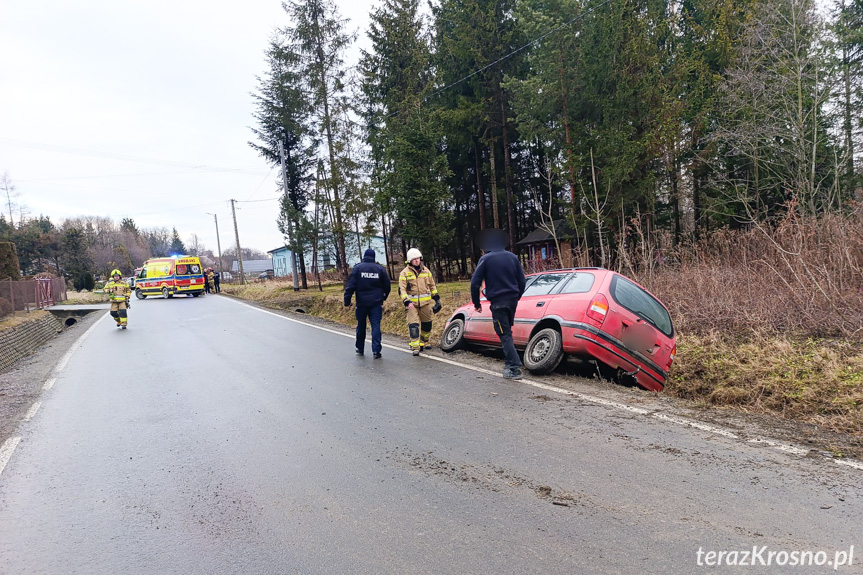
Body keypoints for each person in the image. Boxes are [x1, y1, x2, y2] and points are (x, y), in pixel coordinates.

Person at [470, 229, 526, 379]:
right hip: (512, 301)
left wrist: (476, 303)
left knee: (504, 334)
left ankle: (514, 368)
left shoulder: (486, 259)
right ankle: (510, 364)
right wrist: (517, 296)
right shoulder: (513, 257)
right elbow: (522, 281)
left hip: (498, 302)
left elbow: (475, 284)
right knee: (508, 332)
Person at [344, 248, 391, 358]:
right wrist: (383, 297)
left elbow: (350, 287)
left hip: (361, 303)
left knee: (361, 326)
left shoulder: (357, 268)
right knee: (375, 326)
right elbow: (387, 286)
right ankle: (376, 350)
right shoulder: (380, 269)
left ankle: (360, 348)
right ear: (374, 257)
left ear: (364, 256)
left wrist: (347, 301)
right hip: (376, 303)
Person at [398, 248, 442, 356]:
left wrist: (437, 299)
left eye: (418, 258)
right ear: (410, 261)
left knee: (427, 325)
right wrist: (406, 301)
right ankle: (415, 346)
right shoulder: (404, 273)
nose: (417, 261)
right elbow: (402, 289)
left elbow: (432, 286)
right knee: (414, 325)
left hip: (425, 304)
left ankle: (424, 341)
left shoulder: (426, 271)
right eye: (414, 259)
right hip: (411, 304)